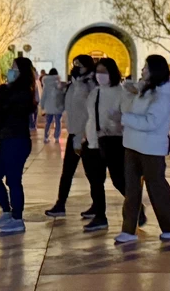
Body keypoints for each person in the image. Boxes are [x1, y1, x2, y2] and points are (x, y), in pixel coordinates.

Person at [115, 55, 170, 244]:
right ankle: (128, 229)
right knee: (131, 190)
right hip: (132, 145)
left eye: (146, 67)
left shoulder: (163, 94)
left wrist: (125, 118)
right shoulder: (145, 90)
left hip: (151, 148)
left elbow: (152, 122)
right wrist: (129, 92)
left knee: (156, 187)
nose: (142, 70)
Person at [82, 57, 146, 232]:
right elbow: (90, 116)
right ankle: (100, 215)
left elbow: (125, 116)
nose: (100, 75)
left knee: (118, 179)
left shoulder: (121, 92)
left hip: (113, 141)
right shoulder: (95, 92)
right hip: (93, 141)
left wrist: (114, 128)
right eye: (98, 71)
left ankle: (137, 208)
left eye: (104, 71)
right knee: (95, 181)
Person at [0, 57, 37, 234]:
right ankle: (7, 211)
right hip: (7, 139)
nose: (10, 70)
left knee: (14, 180)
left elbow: (6, 111)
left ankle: (17, 218)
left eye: (14, 67)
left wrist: (2, 95)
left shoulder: (21, 92)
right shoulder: (11, 90)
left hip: (16, 140)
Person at [45, 55, 97, 218]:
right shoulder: (72, 85)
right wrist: (58, 92)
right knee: (67, 171)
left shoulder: (91, 85)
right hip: (73, 131)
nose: (76, 67)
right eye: (75, 65)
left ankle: (99, 206)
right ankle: (60, 204)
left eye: (80, 65)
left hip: (87, 135)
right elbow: (64, 107)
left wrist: (84, 134)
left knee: (92, 173)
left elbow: (91, 111)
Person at [40, 68, 65, 143]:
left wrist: (42, 105)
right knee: (58, 122)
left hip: (49, 107)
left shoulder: (46, 84)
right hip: (58, 106)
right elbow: (62, 95)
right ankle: (57, 137)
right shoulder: (59, 83)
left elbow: (44, 95)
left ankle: (46, 137)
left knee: (48, 122)